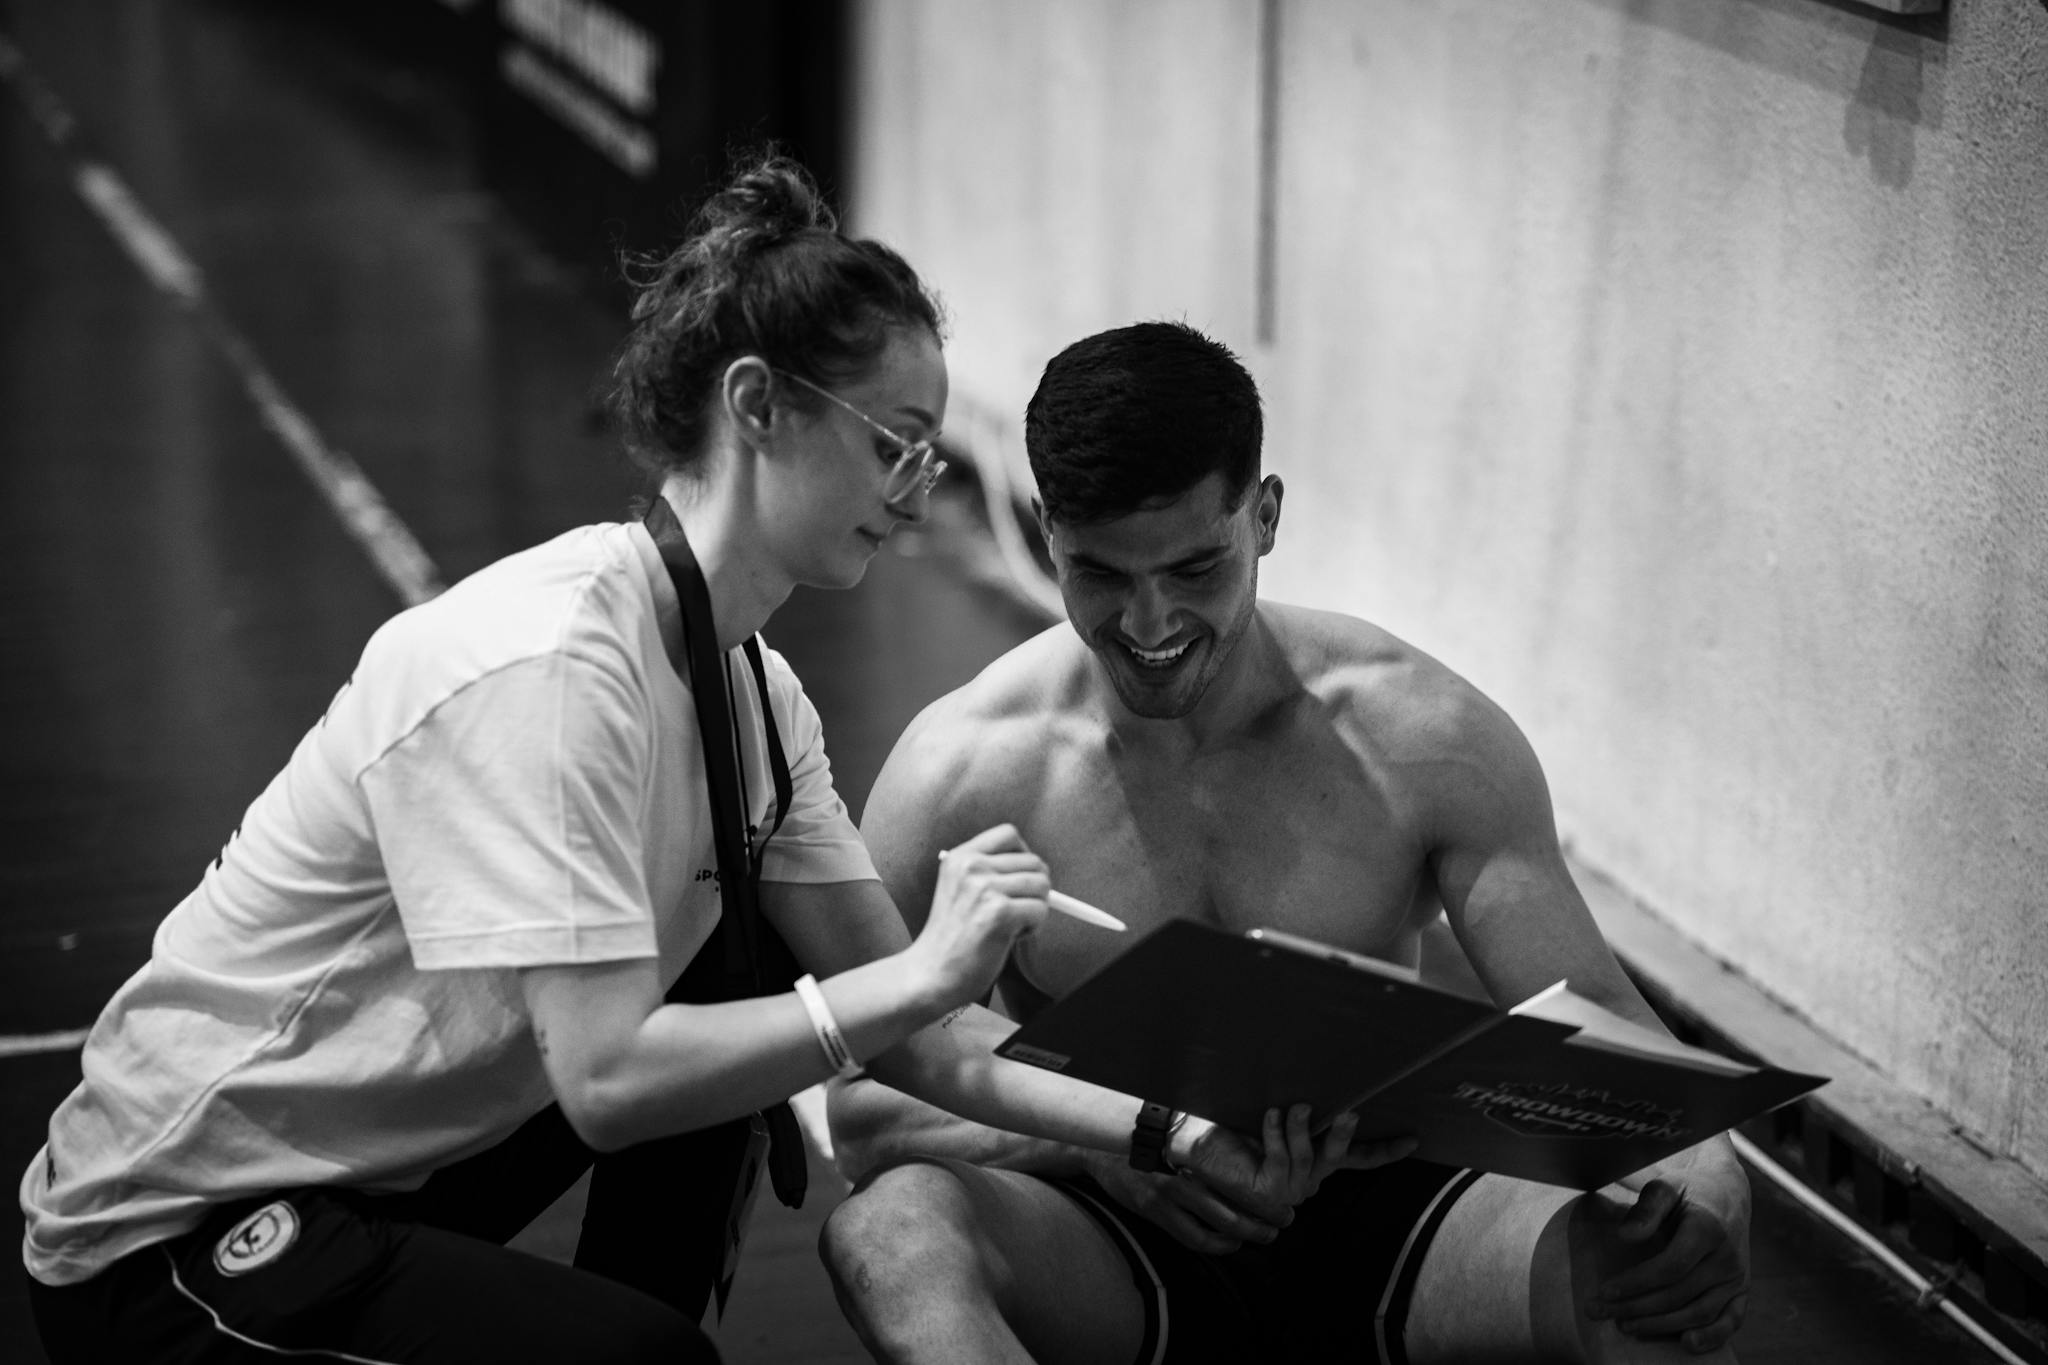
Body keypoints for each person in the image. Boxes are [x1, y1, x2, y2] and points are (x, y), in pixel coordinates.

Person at [18, 166, 1366, 1365]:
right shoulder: (545, 669)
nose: (914, 487)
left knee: (735, 985)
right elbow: (611, 1083)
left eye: (931, 452)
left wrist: (1164, 1130)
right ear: (759, 406)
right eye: (894, 441)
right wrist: (911, 976)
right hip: (178, 1233)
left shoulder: (756, 697)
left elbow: (925, 1034)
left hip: (375, 1177)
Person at [820, 320, 1756, 1364]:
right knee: (890, 1234)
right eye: (1102, 576)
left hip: (1397, 1220)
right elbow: (856, 1111)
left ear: (1262, 517)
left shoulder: (1423, 740)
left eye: (1192, 567)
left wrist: (1705, 1182)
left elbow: (1615, 1043)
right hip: (1111, 1227)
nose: (1148, 621)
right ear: (1047, 534)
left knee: (1651, 1279)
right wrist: (1103, 1141)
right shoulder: (962, 769)